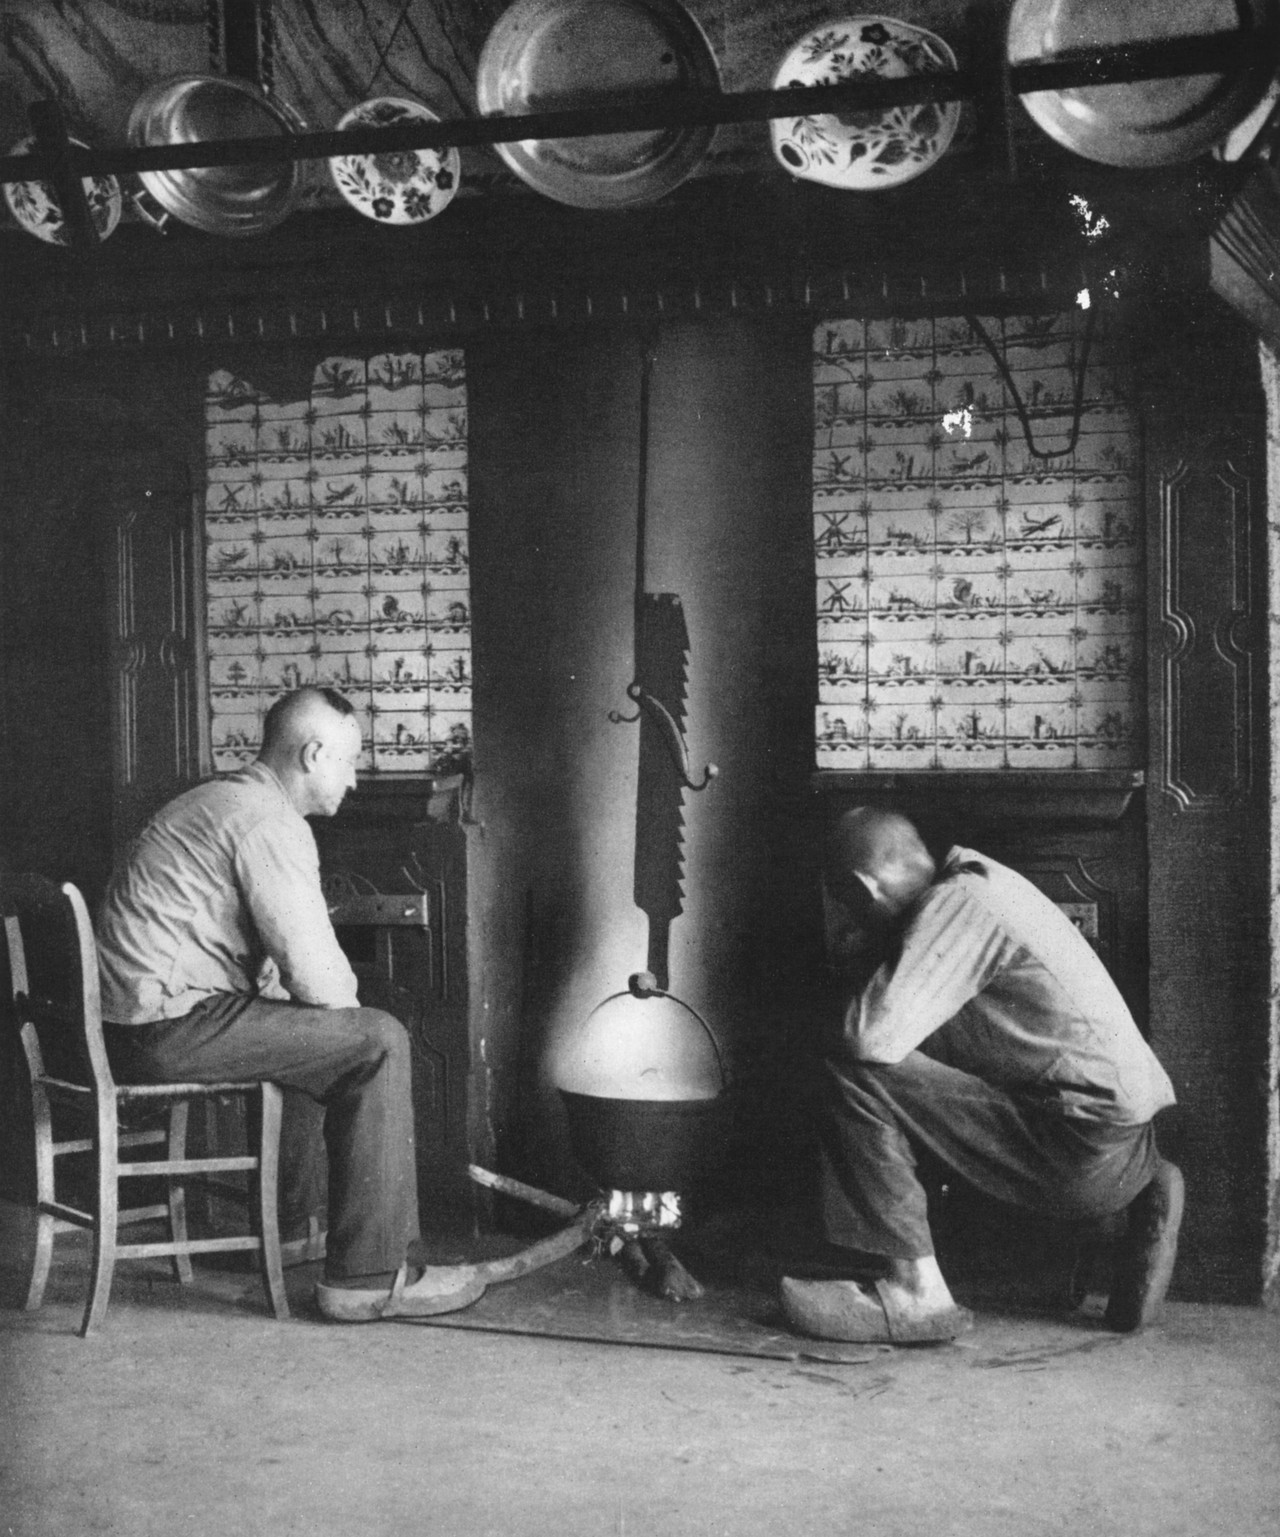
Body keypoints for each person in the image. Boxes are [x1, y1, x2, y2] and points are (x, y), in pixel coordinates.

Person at [96, 687, 482, 1322]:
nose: (354, 781)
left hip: (132, 1024)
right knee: (376, 1039)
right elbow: (324, 984)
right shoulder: (268, 822)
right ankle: (369, 1276)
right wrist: (348, 1016)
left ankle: (290, 1232)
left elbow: (295, 990)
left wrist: (319, 1013)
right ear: (313, 753)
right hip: (161, 1030)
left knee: (315, 1035)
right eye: (349, 761)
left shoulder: (218, 798)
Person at [780, 806, 1183, 1346]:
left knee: (852, 1066)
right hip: (1126, 1144)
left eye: (847, 905)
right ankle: (1141, 1190)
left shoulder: (960, 906)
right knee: (910, 1038)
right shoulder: (983, 883)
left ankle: (913, 1293)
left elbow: (867, 1039)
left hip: (1073, 1152)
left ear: (859, 888)